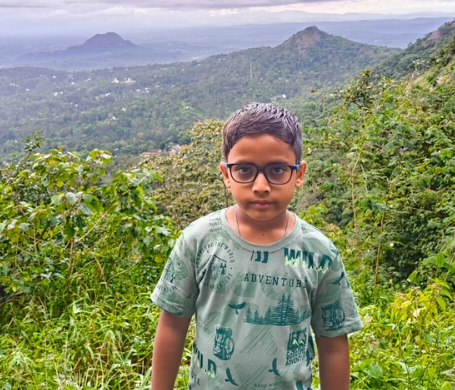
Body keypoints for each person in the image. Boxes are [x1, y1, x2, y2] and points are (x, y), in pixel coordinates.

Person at [151, 103, 362, 390]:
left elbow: (333, 345)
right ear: (226, 175)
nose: (261, 185)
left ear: (298, 174)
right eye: (245, 170)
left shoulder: (319, 252)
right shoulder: (199, 239)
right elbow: (172, 325)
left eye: (277, 170)